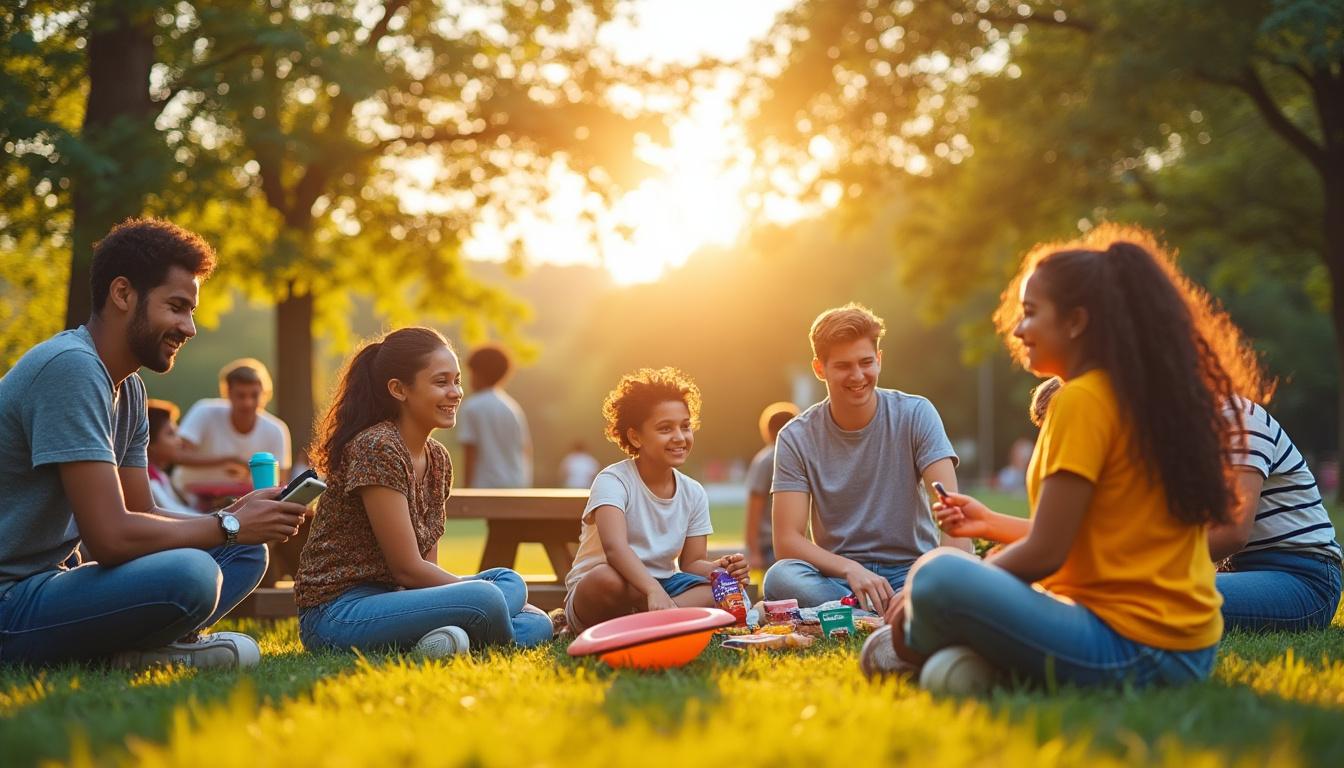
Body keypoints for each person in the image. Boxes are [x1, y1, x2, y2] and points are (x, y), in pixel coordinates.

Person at [874, 225, 1234, 692]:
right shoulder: (1128, 395)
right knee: (966, 571)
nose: (1018, 329)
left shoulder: (1083, 400)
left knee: (938, 574)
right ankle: (975, 663)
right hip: (1187, 649)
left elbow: (1046, 551)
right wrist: (990, 539)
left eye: (1030, 313)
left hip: (1138, 647)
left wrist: (939, 592)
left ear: (1075, 321)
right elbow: (1084, 540)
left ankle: (925, 646)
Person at [0, 218, 308, 669]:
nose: (190, 328)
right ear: (123, 294)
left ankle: (131, 652)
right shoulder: (71, 368)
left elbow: (140, 513)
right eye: (177, 307)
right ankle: (137, 649)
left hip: (50, 585)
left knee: (244, 552)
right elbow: (109, 538)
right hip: (11, 600)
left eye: (192, 312)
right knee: (194, 573)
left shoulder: (130, 390)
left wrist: (238, 519)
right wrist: (226, 524)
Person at [295, 327, 551, 656]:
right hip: (337, 614)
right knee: (489, 598)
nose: (456, 392)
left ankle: (448, 638)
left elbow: (424, 569)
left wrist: (458, 599)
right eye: (441, 382)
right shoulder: (377, 447)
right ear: (399, 390)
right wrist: (473, 596)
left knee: (512, 585)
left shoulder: (438, 460)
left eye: (457, 380)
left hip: (397, 599)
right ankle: (476, 634)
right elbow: (407, 568)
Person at [760, 303, 968, 612]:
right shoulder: (795, 437)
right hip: (840, 577)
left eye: (866, 362)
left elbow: (955, 521)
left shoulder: (915, 413)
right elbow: (787, 541)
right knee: (781, 578)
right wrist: (850, 569)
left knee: (961, 571)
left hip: (912, 570)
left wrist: (923, 584)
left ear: (879, 360)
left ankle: (868, 611)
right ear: (820, 369)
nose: (857, 375)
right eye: (843, 366)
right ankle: (887, 614)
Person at [563, 367, 749, 634]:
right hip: (609, 588)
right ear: (635, 437)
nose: (679, 437)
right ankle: (658, 622)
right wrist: (651, 590)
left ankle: (643, 624)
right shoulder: (613, 481)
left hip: (663, 586)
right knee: (606, 580)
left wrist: (720, 569)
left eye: (685, 426)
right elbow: (615, 549)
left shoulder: (693, 491)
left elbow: (691, 563)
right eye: (665, 428)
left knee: (721, 592)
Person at [173, 358, 292, 488]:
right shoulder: (204, 411)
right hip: (186, 499)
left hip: (245, 502)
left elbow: (280, 482)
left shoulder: (277, 429)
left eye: (254, 395)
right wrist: (229, 460)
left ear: (265, 395)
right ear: (228, 393)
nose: (248, 403)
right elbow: (178, 455)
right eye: (241, 395)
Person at [456, 344, 531, 488]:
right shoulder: (512, 407)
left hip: (485, 487)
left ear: (478, 373)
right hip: (516, 485)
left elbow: (470, 452)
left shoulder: (471, 407)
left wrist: (466, 490)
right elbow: (525, 449)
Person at [745, 401, 800, 569]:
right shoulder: (767, 460)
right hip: (769, 544)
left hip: (791, 540)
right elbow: (755, 507)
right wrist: (754, 551)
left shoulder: (793, 456)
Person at [145, 399, 198, 514]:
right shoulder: (149, 481)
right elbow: (176, 513)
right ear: (149, 441)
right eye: (170, 434)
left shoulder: (160, 475)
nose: (179, 441)